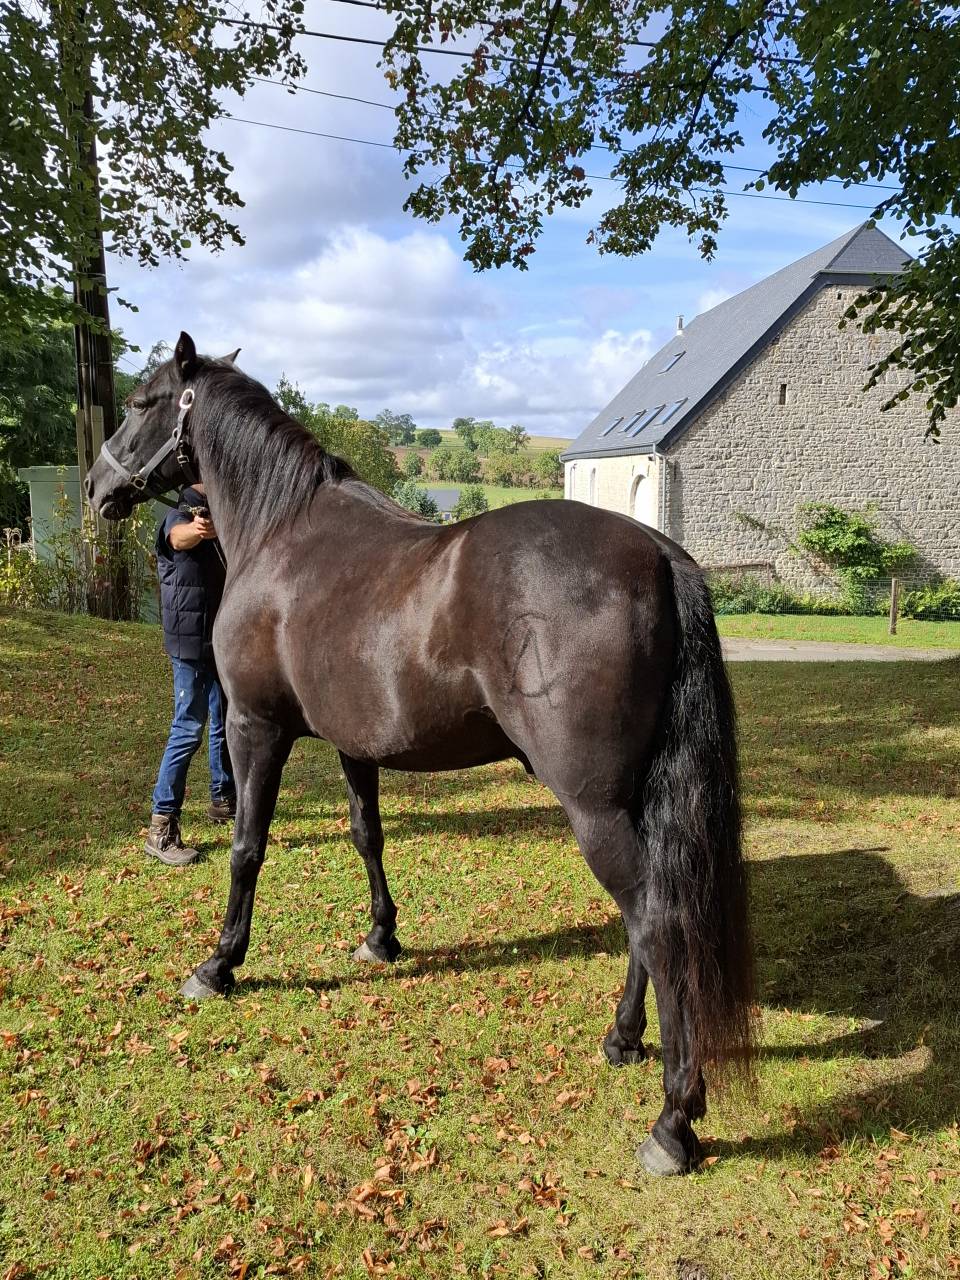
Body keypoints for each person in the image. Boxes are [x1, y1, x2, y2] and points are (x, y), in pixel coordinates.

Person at [144, 483, 236, 866]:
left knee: (223, 722)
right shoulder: (176, 520)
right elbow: (177, 537)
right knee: (187, 729)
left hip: (217, 644)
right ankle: (161, 828)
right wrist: (197, 528)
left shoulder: (219, 530)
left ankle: (223, 798)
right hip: (189, 648)